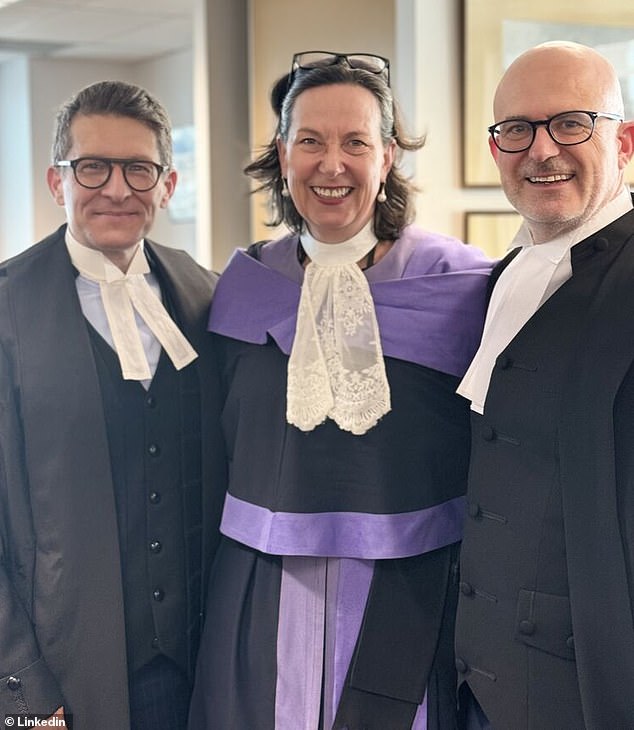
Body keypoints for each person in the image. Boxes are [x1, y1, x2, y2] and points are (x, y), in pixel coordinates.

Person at [187, 51, 492, 729]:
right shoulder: (244, 284)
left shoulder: (464, 285)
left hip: (410, 587)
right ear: (282, 153)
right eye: (310, 141)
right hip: (262, 587)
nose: (332, 165)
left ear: (387, 156)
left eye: (355, 142)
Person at [0, 81, 225, 730]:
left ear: (169, 184)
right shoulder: (8, 309)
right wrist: (22, 690)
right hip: (66, 675)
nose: (118, 190)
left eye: (139, 169)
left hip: (199, 669)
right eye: (93, 167)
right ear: (57, 180)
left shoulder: (207, 294)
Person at [455, 41, 634, 729]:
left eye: (571, 123)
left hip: (592, 687)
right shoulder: (504, 277)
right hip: (477, 681)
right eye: (517, 129)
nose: (541, 150)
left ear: (622, 142)